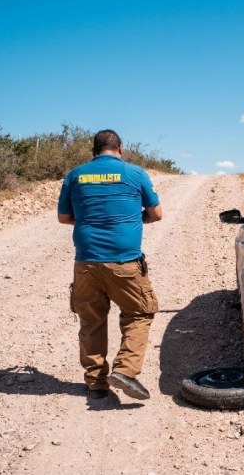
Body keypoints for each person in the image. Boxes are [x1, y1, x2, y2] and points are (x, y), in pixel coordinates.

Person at [57, 129, 162, 400]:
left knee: (91, 322)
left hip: (86, 262)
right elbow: (157, 214)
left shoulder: (75, 175)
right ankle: (125, 370)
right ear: (120, 148)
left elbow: (64, 217)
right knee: (139, 314)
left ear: (93, 151)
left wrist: (88, 221)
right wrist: (135, 219)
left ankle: (96, 383)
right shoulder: (135, 173)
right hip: (124, 262)